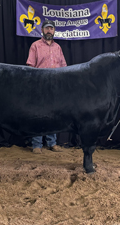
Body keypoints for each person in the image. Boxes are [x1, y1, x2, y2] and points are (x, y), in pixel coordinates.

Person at [26, 19, 67, 154]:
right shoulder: (35, 46)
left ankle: (52, 143)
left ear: (54, 31)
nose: (49, 31)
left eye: (51, 28)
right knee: (38, 114)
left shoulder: (58, 47)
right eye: (47, 28)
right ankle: (37, 144)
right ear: (42, 30)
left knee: (54, 115)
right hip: (39, 84)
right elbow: (30, 67)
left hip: (55, 86)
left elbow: (64, 67)